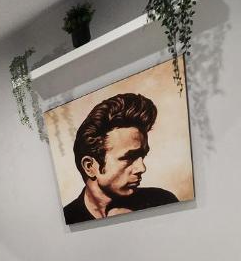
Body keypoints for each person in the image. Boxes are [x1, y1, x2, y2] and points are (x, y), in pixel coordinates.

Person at [62, 92, 178, 224]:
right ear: (89, 166)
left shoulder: (162, 202)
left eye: (142, 156)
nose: (142, 168)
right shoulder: (67, 220)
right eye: (129, 157)